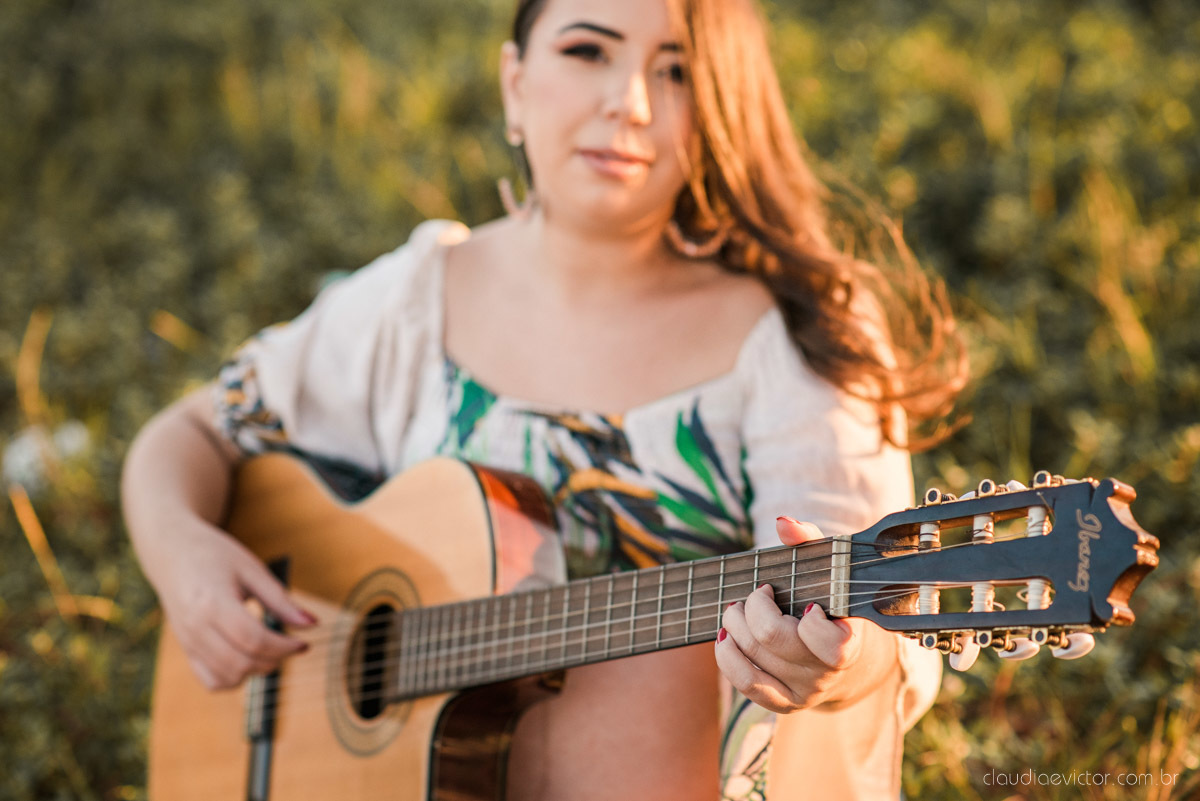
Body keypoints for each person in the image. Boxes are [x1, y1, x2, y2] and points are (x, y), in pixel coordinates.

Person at [122, 0, 966, 798]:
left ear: (721, 108)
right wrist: (181, 554)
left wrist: (831, 661)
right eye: (587, 50)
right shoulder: (417, 300)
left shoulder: (793, 335)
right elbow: (199, 429)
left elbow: (869, 616)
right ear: (515, 85)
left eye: (675, 70)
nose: (629, 102)